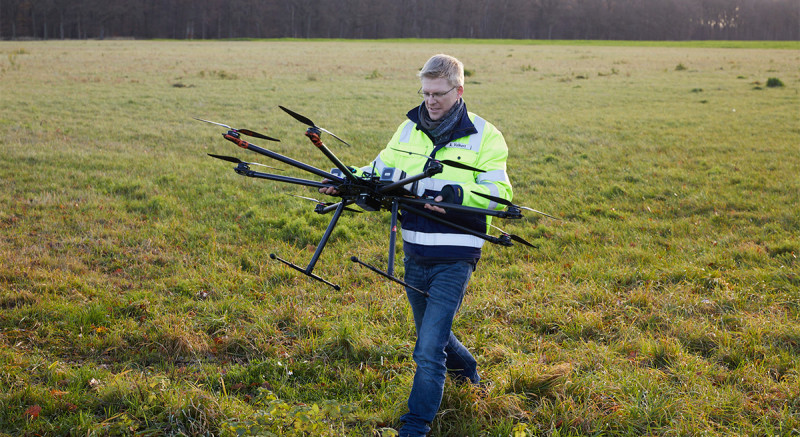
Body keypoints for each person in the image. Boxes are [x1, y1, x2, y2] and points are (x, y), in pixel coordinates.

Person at [321, 54, 512, 436]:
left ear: (458, 91)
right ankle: (470, 372)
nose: (431, 101)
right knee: (432, 333)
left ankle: (415, 425)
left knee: (427, 350)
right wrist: (345, 179)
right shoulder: (407, 129)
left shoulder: (485, 135)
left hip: (456, 254)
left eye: (438, 94)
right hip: (414, 250)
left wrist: (458, 194)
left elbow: (500, 196)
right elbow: (379, 171)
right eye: (425, 93)